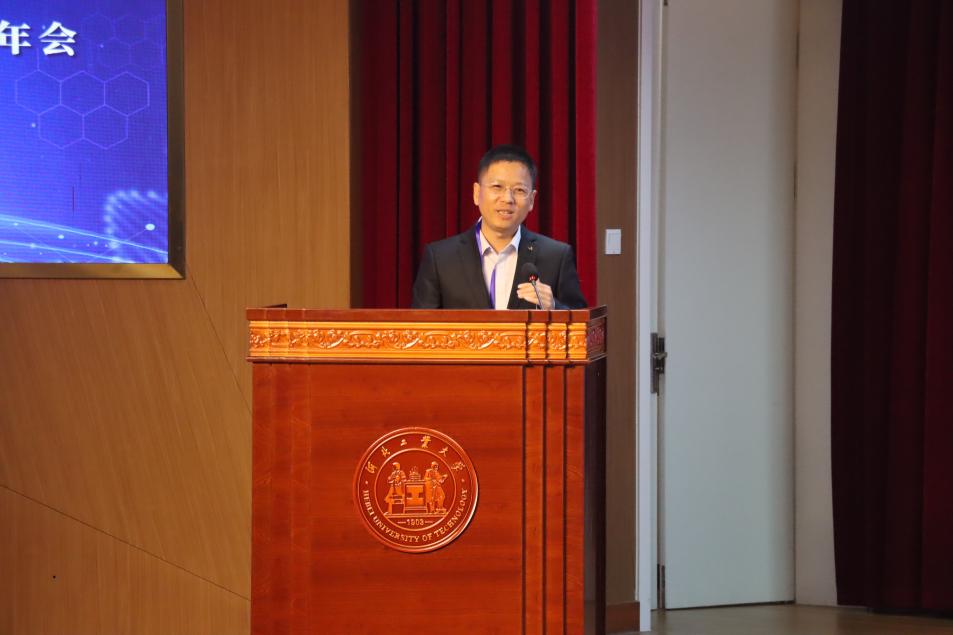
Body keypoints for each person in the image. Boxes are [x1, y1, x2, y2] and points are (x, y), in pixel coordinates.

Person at [411, 145, 587, 310]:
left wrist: (555, 307)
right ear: (476, 193)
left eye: (519, 190)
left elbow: (583, 324)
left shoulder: (556, 257)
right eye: (497, 187)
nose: (507, 199)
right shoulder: (440, 258)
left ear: (532, 200)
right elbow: (419, 326)